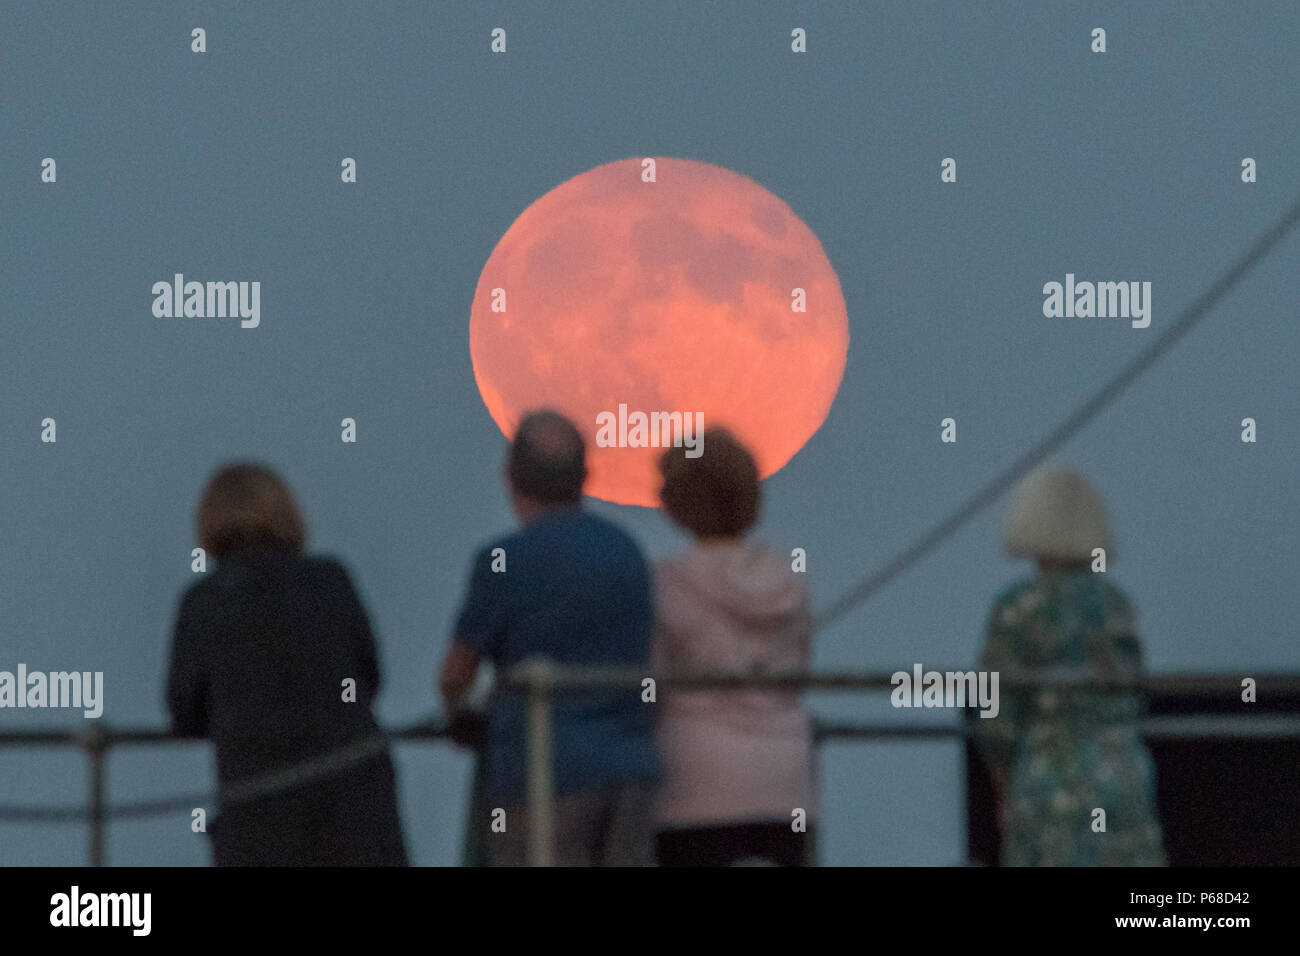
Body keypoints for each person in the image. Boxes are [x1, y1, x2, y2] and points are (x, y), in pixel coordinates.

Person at [440, 410, 659, 866]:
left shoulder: (503, 562)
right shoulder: (627, 551)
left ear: (510, 476)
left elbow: (456, 675)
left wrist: (459, 714)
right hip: (632, 776)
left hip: (541, 777)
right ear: (585, 475)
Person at [166, 463, 408, 866]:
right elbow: (370, 676)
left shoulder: (204, 602)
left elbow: (184, 712)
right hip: (359, 810)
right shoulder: (331, 581)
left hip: (261, 819)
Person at [975, 467, 1165, 866]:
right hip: (1122, 775)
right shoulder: (1115, 604)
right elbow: (1134, 694)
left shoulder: (1017, 607)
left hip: (1048, 780)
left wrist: (1003, 781)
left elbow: (996, 714)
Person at [651, 428, 817, 866]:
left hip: (695, 786)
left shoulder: (668, 583)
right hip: (786, 783)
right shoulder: (788, 579)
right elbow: (800, 669)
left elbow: (648, 679)